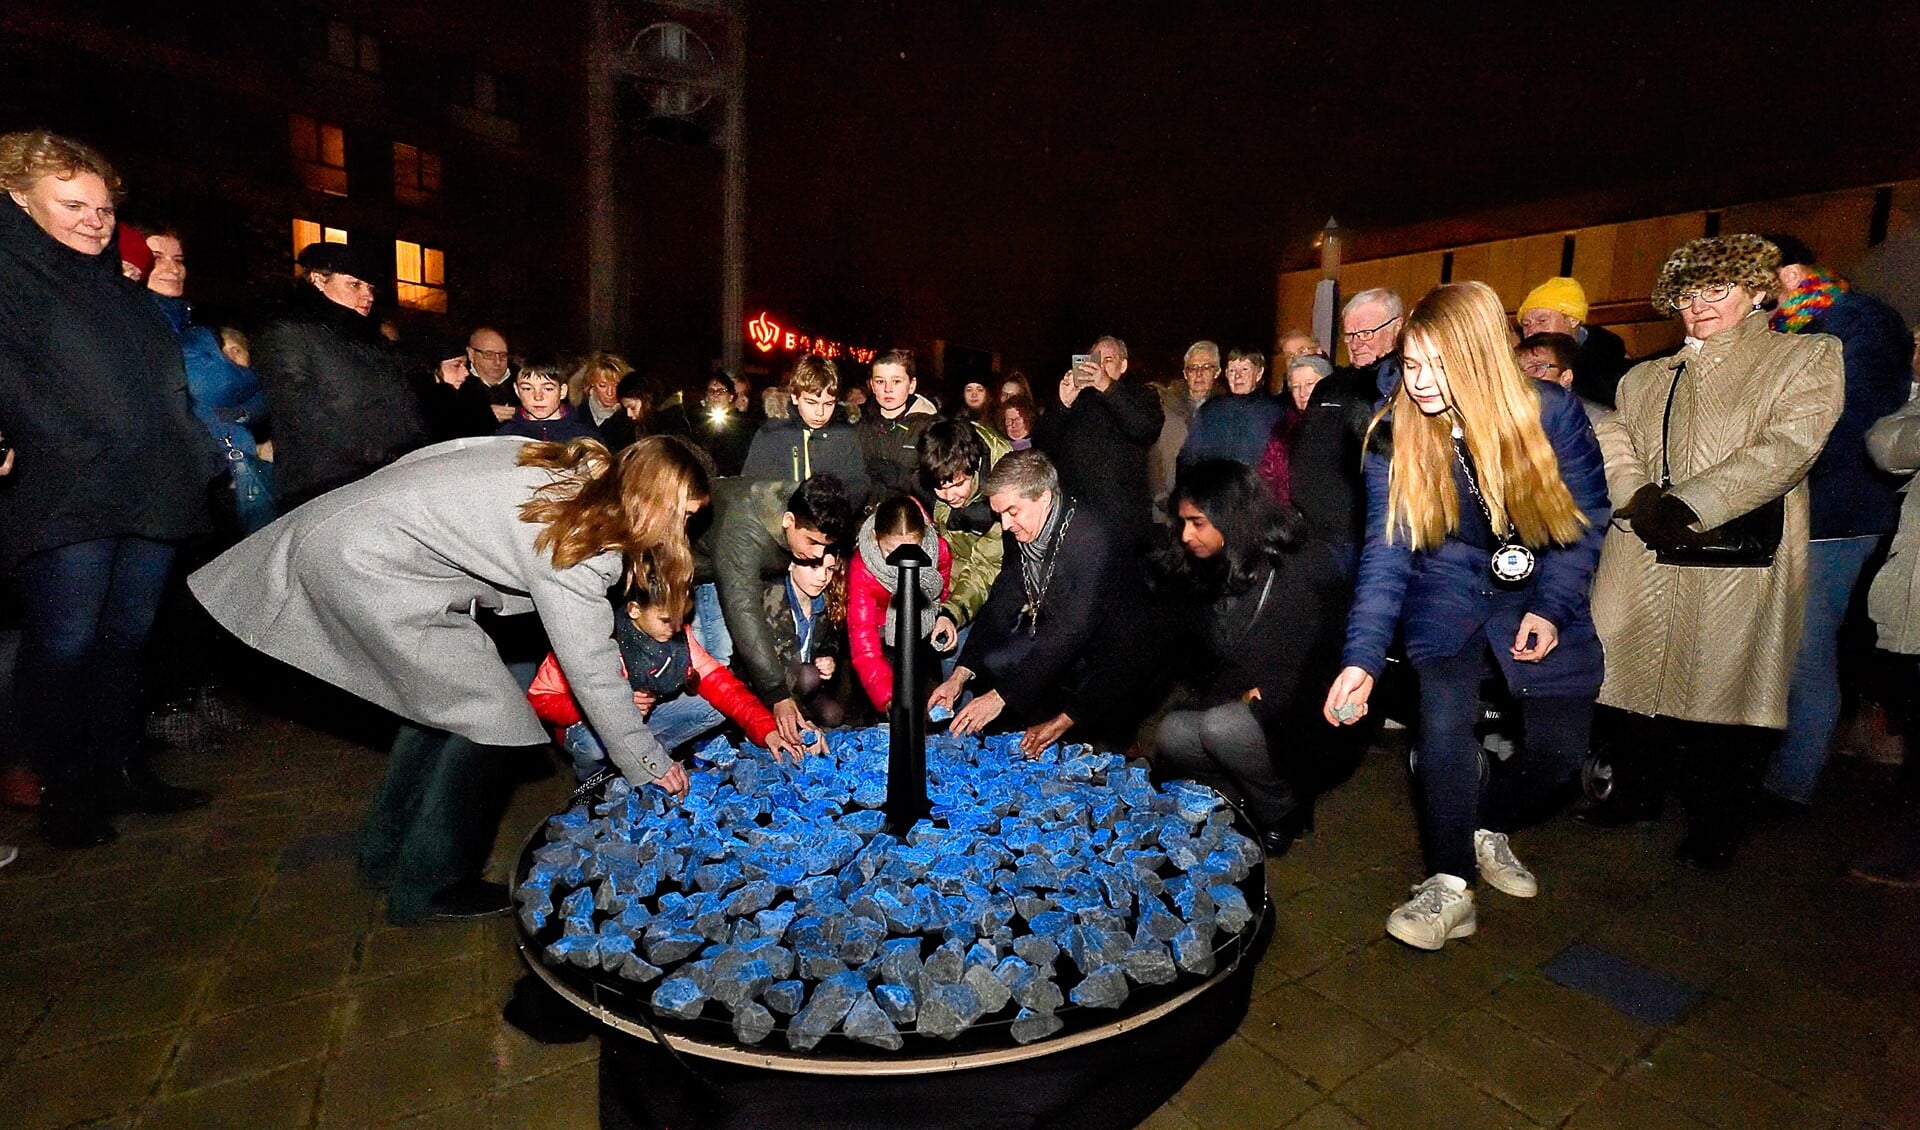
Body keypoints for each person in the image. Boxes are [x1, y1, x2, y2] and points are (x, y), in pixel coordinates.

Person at [191, 435, 709, 923]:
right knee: (492, 721)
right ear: (651, 502)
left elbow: (451, 452)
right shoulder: (582, 546)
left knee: (440, 709)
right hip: (372, 566)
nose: (680, 534)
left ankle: (387, 855)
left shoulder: (577, 465)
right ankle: (430, 888)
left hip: (354, 528)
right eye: (681, 518)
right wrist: (646, 760)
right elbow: (591, 668)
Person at [1324, 281, 1610, 951]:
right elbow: (1385, 554)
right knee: (1444, 723)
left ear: (1480, 357)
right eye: (1411, 364)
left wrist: (1551, 606)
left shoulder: (1553, 414)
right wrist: (1362, 660)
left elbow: (1583, 519)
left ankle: (1483, 825)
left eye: (1436, 366)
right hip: (1444, 587)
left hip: (1539, 584)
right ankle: (1450, 886)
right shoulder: (1392, 432)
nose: (1418, 382)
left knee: (1559, 754)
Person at [1579, 235, 1844, 870]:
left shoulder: (1805, 357)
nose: (1699, 306)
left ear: (1758, 291)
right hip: (1641, 548)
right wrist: (1639, 498)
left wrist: (1694, 504)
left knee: (1725, 694)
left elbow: (1791, 444)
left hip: (1737, 555)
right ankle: (1634, 796)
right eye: (1688, 294)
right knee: (1629, 680)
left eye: (1716, 289)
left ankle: (1716, 825)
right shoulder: (1646, 375)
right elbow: (1615, 441)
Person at [0, 129, 222, 847]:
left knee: (127, 639)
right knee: (65, 642)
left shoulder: (110, 283)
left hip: (149, 481)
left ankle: (123, 770)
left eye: (102, 208)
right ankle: (68, 791)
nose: (94, 220)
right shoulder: (8, 275)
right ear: (17, 197)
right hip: (65, 483)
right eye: (73, 204)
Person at [1761, 234, 1915, 813]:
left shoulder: (1863, 321)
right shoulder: (1776, 333)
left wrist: (1767, 459)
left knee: (1806, 648)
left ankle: (1792, 782)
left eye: (1757, 276)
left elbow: (1855, 416)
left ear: (1793, 275)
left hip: (1837, 510)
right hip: (1785, 506)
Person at [1153, 460, 1343, 856]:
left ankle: (1283, 810)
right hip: (1242, 706)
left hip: (1303, 716)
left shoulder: (1300, 566)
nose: (1186, 535)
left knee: (1222, 728)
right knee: (1172, 734)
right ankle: (1238, 793)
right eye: (1182, 522)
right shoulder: (1208, 566)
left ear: (1230, 516)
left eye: (1198, 522)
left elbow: (1322, 659)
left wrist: (1266, 696)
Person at [930, 450, 1150, 754]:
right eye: (999, 514)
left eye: (1012, 511)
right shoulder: (1024, 528)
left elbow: (1070, 632)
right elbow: (1003, 600)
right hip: (1063, 646)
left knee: (1098, 755)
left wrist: (1001, 696)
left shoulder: (1090, 539)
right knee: (1001, 671)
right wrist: (960, 674)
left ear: (1043, 497)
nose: (1005, 524)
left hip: (1118, 656)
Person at [528, 581, 798, 781]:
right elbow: (539, 699)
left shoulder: (677, 637)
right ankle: (594, 785)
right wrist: (612, 703)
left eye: (681, 618)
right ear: (634, 610)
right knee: (591, 743)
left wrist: (766, 729)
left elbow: (723, 686)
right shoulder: (592, 639)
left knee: (713, 707)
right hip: (590, 728)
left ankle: (646, 765)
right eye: (666, 620)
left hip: (646, 723)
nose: (675, 628)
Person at [255, 241, 429, 507]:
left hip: (382, 480)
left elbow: (403, 405)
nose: (368, 295)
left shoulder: (371, 340)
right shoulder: (289, 332)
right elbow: (300, 411)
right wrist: (373, 452)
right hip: (323, 487)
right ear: (317, 280)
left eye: (370, 287)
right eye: (354, 284)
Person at [700, 474, 856, 750]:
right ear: (788, 521)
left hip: (730, 569)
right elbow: (743, 609)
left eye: (826, 545)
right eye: (812, 542)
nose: (820, 554)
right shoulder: (742, 528)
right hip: (697, 569)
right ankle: (721, 743)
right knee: (716, 659)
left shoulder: (808, 504)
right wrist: (777, 695)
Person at [144, 226, 276, 534]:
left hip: (214, 470)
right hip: (170, 479)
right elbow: (213, 385)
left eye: (178, 258)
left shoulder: (192, 325)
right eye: (156, 258)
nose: (173, 268)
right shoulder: (145, 324)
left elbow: (258, 397)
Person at [1036, 336, 1165, 550]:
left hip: (1121, 525)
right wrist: (1062, 403)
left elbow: (1145, 428)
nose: (1100, 367)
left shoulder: (1140, 395)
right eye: (1096, 360)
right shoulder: (1076, 400)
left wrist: (1106, 386)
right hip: (1075, 520)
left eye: (1108, 360)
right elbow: (1042, 447)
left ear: (1123, 365)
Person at [917, 419, 1011, 673]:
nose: (949, 496)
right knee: (950, 651)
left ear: (976, 465)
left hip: (1005, 587)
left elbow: (986, 565)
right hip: (958, 582)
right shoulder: (939, 458)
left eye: (958, 485)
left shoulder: (1004, 492)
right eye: (940, 487)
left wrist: (953, 611)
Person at [849, 495, 953, 713]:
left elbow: (942, 579)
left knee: (922, 693)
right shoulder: (862, 568)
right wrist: (887, 697)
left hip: (922, 620)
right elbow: (862, 635)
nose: (902, 560)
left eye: (912, 550)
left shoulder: (937, 548)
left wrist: (942, 610)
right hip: (881, 629)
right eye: (891, 552)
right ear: (875, 537)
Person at [742, 357, 870, 504]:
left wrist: (837, 509)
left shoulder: (845, 436)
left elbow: (858, 484)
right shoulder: (772, 433)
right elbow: (750, 486)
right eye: (811, 402)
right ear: (795, 397)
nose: (820, 412)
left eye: (828, 404)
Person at [1516, 277, 1633, 409]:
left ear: (1573, 320)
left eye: (1542, 321)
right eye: (1526, 325)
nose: (1532, 332)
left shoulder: (1606, 361)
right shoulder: (1520, 355)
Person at [1254, 355, 1337, 506]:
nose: (1302, 393)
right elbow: (1268, 477)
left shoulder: (1342, 427)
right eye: (1296, 387)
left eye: (1310, 384)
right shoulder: (1283, 430)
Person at [856, 349, 940, 498]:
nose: (888, 389)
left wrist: (902, 478)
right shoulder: (857, 423)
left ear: (912, 385)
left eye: (896, 381)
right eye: (880, 381)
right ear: (872, 385)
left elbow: (938, 485)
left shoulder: (931, 427)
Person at [1150, 341, 1221, 515]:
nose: (1199, 373)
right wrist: (1161, 497)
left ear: (1217, 372)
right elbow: (1152, 454)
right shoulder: (1164, 406)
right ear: (1184, 373)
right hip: (1167, 509)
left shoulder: (1225, 409)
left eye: (1206, 367)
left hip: (1211, 511)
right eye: (1192, 367)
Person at [1181, 347, 1283, 467]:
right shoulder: (1209, 411)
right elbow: (1189, 458)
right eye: (1232, 370)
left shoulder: (1274, 413)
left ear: (1259, 373)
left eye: (1244, 369)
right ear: (1226, 374)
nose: (1237, 376)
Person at [425, 327, 519, 439]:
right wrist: (484, 418)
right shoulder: (462, 389)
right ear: (471, 354)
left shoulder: (523, 382)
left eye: (503, 355)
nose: (497, 362)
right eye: (489, 354)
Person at [495, 363, 601, 444]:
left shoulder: (586, 439)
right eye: (527, 388)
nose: (538, 397)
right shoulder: (505, 438)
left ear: (562, 391)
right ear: (517, 390)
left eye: (548, 389)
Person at [1516, 332, 1610, 423]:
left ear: (1566, 377)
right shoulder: (1511, 414)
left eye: (1536, 369)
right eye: (1518, 369)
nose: (1524, 377)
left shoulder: (1597, 420)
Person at [569, 352, 638, 449]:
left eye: (616, 386)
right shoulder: (575, 412)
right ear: (591, 383)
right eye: (602, 385)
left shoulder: (632, 419)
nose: (610, 393)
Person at [689, 374, 752, 476]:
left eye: (721, 391)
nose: (715, 395)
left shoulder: (742, 423)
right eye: (711, 391)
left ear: (730, 397)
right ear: (707, 397)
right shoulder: (698, 423)